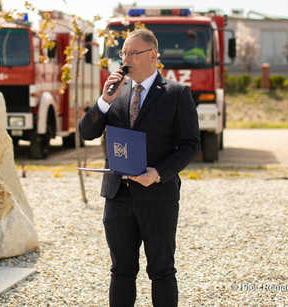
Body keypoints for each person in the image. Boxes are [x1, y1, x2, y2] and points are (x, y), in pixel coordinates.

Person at [79, 28, 199, 307]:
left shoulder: (176, 94)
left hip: (158, 197)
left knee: (161, 271)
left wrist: (157, 174)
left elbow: (189, 145)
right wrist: (104, 101)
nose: (126, 59)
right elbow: (86, 132)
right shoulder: (116, 94)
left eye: (133, 53)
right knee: (121, 271)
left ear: (153, 55)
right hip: (118, 197)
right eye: (123, 53)